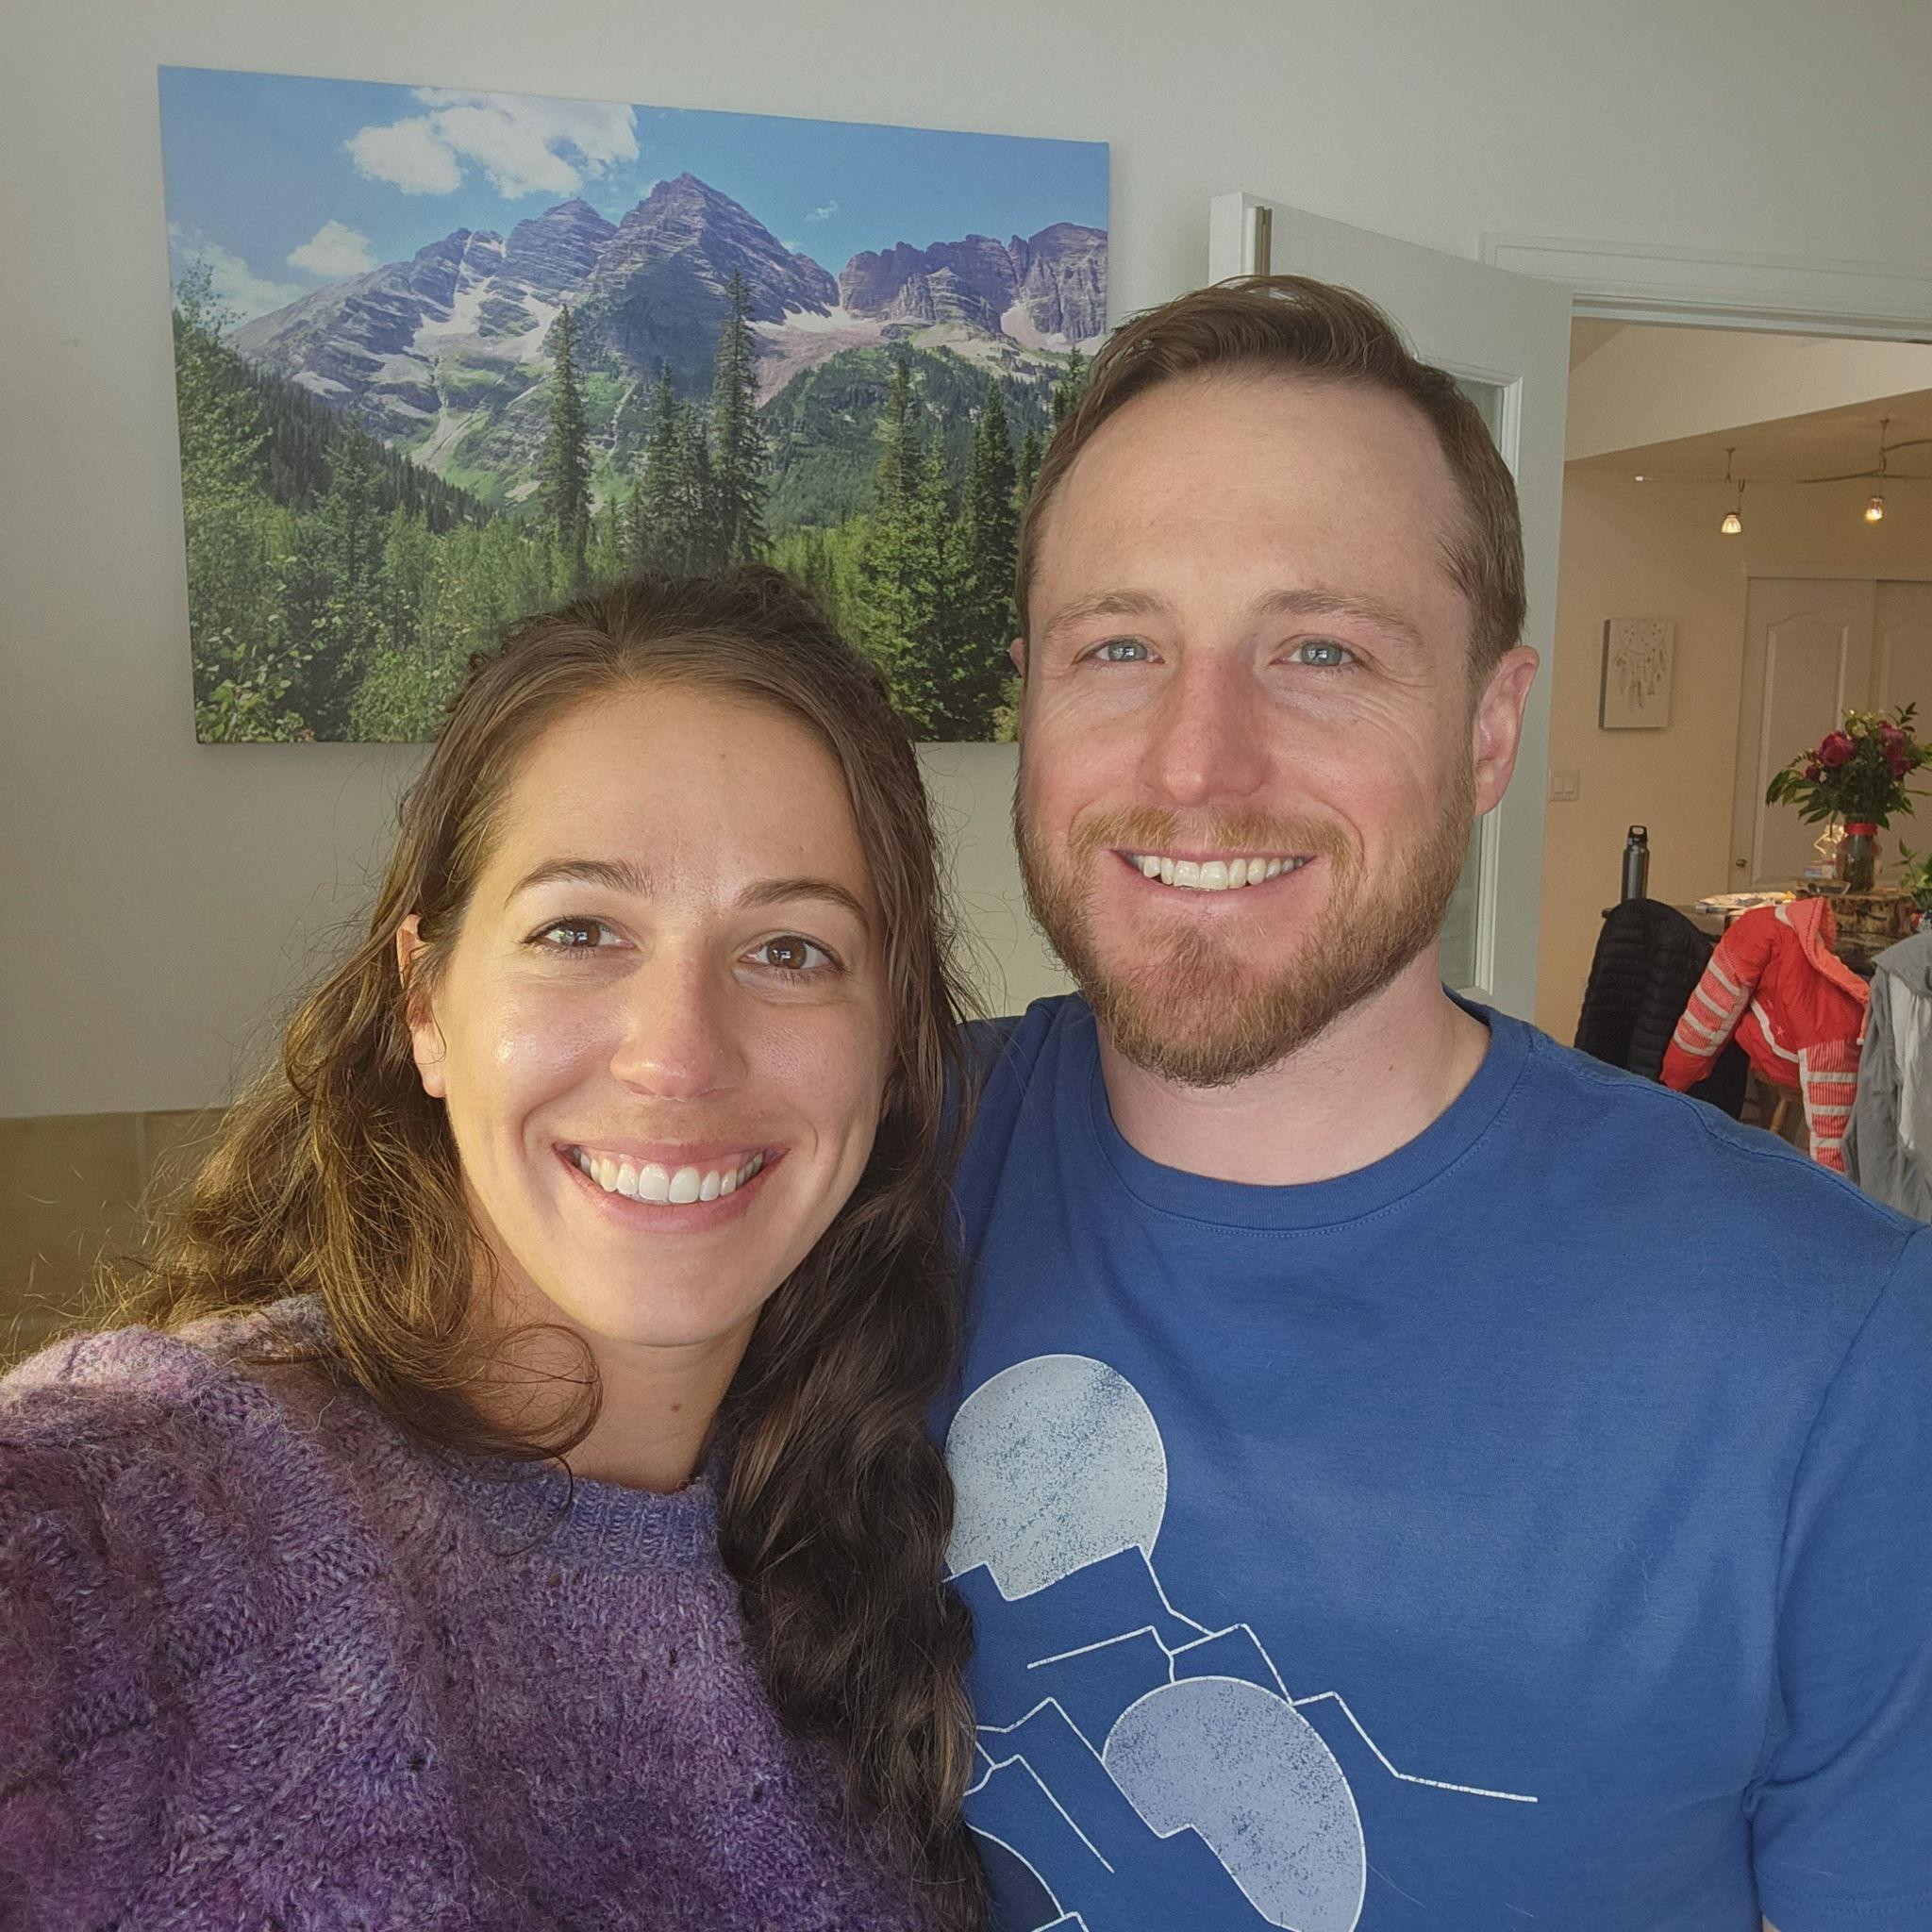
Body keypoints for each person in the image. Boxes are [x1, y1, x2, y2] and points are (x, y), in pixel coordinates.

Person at [936, 278, 1932, 1932]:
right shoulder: (849, 1171)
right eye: (1118, 647)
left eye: (1322, 651)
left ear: (1488, 729)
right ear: (1030, 701)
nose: (1197, 764)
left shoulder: (1838, 1351)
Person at [0, 570, 984, 1930]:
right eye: (579, 931)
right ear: (426, 1005)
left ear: (891, 1041)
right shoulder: (153, 1509)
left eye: (791, 951)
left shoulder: (884, 1539)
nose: (678, 1056)